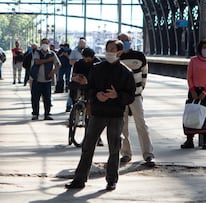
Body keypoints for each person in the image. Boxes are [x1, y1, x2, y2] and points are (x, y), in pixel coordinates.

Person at [65, 39, 136, 191]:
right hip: (98, 113)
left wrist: (117, 95)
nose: (109, 52)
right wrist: (96, 95)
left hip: (116, 114)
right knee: (88, 146)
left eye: (113, 49)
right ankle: (79, 178)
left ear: (119, 52)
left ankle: (111, 180)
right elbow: (88, 89)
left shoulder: (126, 73)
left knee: (114, 148)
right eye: (107, 48)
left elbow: (130, 96)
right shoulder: (97, 69)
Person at [117, 33, 155, 167]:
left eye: (126, 40)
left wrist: (140, 89)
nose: (123, 42)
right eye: (121, 41)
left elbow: (144, 74)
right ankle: (126, 153)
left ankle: (148, 154)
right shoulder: (116, 57)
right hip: (120, 97)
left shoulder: (139, 56)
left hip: (136, 96)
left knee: (141, 124)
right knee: (122, 126)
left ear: (130, 41)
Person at [181, 39, 206, 150]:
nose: (205, 50)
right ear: (200, 49)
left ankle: (205, 140)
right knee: (191, 113)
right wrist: (192, 90)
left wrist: (204, 92)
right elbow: (189, 76)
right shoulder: (193, 61)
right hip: (193, 91)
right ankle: (189, 139)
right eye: (204, 47)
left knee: (205, 115)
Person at [30, 38, 61, 121]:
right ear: (41, 44)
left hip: (47, 80)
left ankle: (47, 114)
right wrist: (48, 60)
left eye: (46, 43)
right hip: (37, 79)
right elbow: (37, 62)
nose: (45, 45)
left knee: (47, 98)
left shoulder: (52, 54)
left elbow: (58, 64)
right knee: (35, 98)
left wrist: (53, 72)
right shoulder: (37, 52)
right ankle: (35, 114)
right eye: (43, 43)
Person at [66, 37, 87, 112]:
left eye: (83, 44)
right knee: (72, 87)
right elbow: (71, 62)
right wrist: (79, 62)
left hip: (85, 73)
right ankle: (69, 105)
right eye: (81, 44)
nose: (82, 45)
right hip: (76, 71)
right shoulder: (74, 51)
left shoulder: (88, 51)